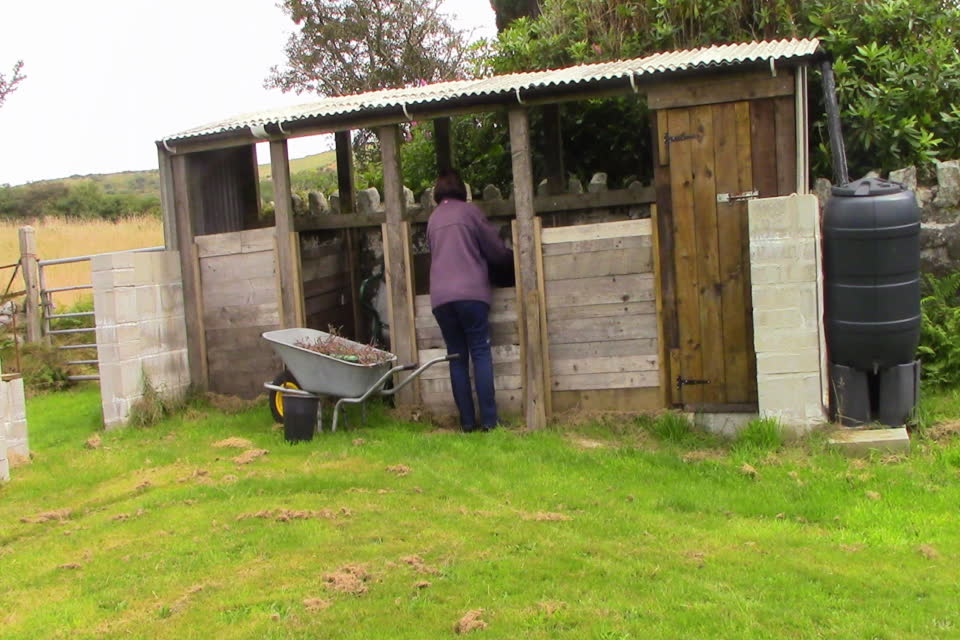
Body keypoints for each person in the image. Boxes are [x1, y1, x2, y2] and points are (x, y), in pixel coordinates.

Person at [427, 168, 513, 432]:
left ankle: (466, 423)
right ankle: (489, 421)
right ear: (462, 190)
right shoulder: (470, 212)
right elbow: (496, 252)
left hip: (441, 299)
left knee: (456, 357)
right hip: (471, 295)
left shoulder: (433, 219)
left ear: (438, 192)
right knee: (480, 351)